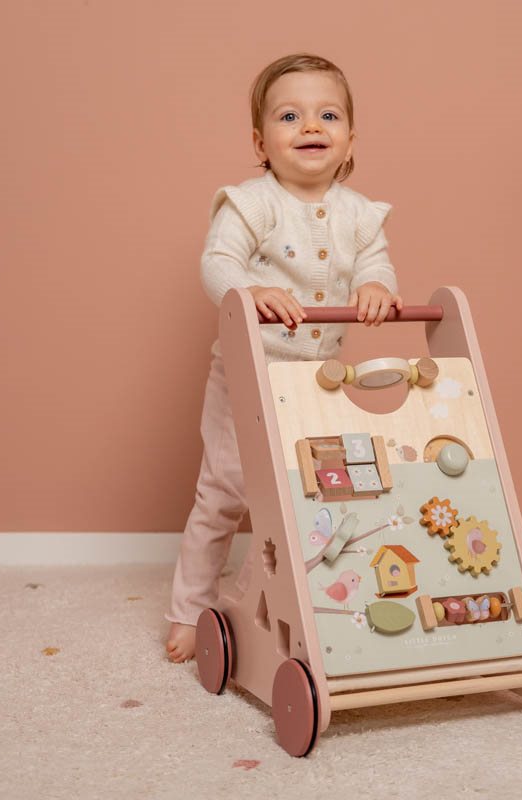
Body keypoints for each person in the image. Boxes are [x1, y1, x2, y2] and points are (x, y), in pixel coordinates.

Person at [165, 53, 402, 662]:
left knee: (317, 491)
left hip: (317, 382)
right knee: (224, 493)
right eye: (290, 116)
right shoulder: (252, 204)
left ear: (350, 137)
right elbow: (217, 264)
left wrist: (376, 286)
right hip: (248, 375)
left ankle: (310, 603)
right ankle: (191, 611)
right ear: (261, 142)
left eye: (327, 115)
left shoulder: (360, 214)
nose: (310, 127)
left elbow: (375, 264)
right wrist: (251, 291)